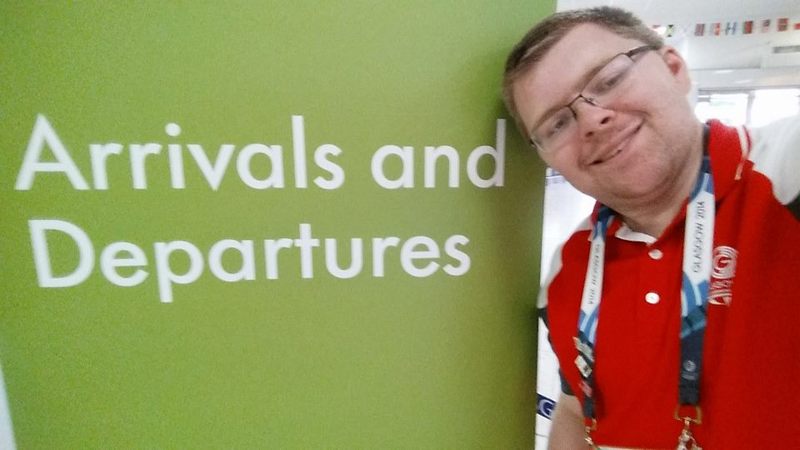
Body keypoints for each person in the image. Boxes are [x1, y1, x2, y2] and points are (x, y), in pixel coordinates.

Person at [502, 6, 800, 449]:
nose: (592, 119)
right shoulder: (568, 271)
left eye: (608, 80)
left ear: (674, 68)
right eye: (557, 123)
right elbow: (572, 408)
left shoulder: (784, 173)